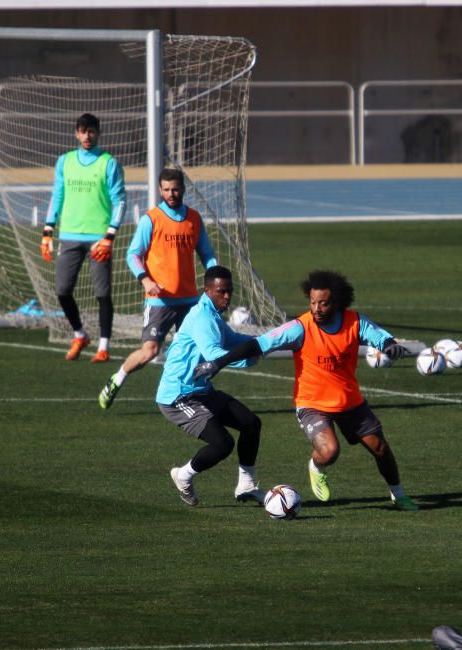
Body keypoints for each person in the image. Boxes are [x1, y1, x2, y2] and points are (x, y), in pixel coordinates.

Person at [194, 270, 419, 512]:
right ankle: (316, 466)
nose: (317, 308)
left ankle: (398, 495)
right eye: (313, 302)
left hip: (350, 401)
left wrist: (391, 347)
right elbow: (257, 344)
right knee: (330, 451)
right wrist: (218, 363)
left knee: (380, 448)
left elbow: (381, 339)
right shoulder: (300, 327)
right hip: (312, 404)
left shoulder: (356, 323)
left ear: (337, 302)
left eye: (323, 303)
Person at [98, 168, 218, 409]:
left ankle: (196, 395)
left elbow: (206, 253)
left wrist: (216, 278)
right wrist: (145, 280)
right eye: (166, 190)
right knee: (150, 351)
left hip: (190, 301)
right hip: (159, 302)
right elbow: (133, 255)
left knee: (197, 349)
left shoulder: (194, 218)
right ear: (160, 190)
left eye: (175, 189)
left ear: (182, 189)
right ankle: (117, 379)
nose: (171, 194)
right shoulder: (150, 219)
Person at [157, 265, 265, 507]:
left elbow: (233, 340)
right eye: (221, 292)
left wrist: (267, 342)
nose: (227, 297)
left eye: (230, 292)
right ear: (207, 291)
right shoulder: (203, 317)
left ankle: (247, 484)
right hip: (178, 397)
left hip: (201, 391)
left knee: (251, 423)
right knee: (223, 443)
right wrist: (251, 356)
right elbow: (214, 355)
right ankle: (182, 475)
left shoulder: (213, 313)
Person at [41, 113, 126, 362]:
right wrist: (48, 231)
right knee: (62, 290)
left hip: (99, 237)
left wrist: (110, 235)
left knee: (102, 293)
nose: (87, 136)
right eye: (82, 131)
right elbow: (57, 196)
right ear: (76, 133)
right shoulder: (65, 161)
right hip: (69, 235)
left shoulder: (108, 163)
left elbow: (119, 200)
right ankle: (80, 334)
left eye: (91, 131)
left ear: (98, 133)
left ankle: (103, 346)